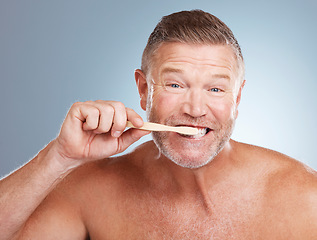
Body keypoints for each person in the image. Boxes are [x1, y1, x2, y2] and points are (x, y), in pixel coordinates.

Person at [0, 10, 316, 240]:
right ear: (143, 89)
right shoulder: (90, 193)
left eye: (215, 89)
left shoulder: (303, 198)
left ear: (238, 97)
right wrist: (58, 158)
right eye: (175, 85)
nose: (195, 109)